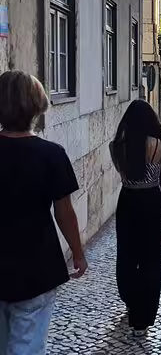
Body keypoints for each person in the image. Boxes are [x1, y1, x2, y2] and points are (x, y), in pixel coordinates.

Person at [0, 70, 87, 354]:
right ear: (37, 107)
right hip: (35, 266)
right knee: (27, 347)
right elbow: (64, 213)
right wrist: (77, 252)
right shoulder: (51, 154)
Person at [110, 100, 161, 336]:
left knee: (126, 256)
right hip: (151, 202)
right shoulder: (158, 144)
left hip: (127, 200)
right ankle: (144, 317)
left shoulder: (116, 146)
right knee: (151, 259)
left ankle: (130, 300)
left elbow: (121, 170)